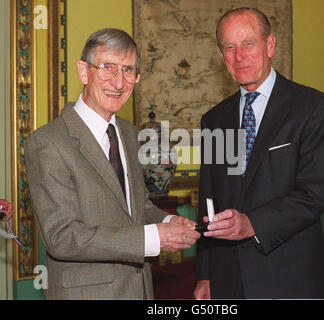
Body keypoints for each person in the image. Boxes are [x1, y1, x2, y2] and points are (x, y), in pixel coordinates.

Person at [25, 28, 200, 300]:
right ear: (84, 71)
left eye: (129, 70)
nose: (119, 83)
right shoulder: (47, 142)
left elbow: (136, 207)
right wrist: (152, 239)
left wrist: (168, 221)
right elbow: (62, 237)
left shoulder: (129, 134)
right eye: (108, 68)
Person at [194, 8, 324, 299]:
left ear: (270, 45)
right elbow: (209, 201)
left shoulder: (313, 109)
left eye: (248, 44)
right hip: (227, 279)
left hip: (287, 278)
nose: (239, 56)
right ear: (222, 56)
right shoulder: (214, 119)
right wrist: (205, 275)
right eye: (229, 47)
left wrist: (251, 224)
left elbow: (313, 194)